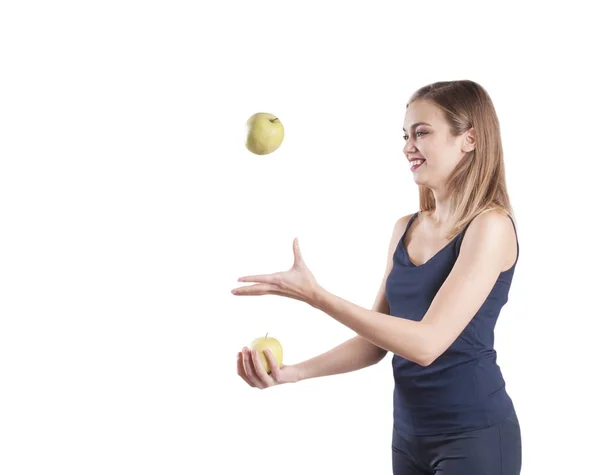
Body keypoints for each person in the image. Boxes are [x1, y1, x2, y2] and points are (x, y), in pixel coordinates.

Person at [231, 79, 522, 475]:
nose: (407, 147)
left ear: (468, 138)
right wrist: (292, 373)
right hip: (408, 436)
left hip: (474, 436)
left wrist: (318, 296)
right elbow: (374, 345)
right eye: (405, 135)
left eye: (421, 133)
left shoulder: (490, 226)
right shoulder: (406, 228)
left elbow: (426, 344)